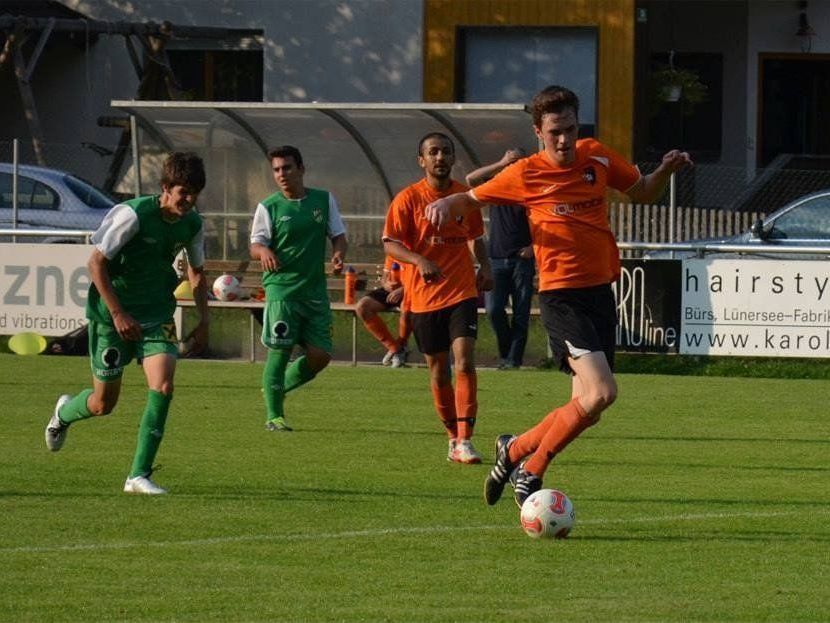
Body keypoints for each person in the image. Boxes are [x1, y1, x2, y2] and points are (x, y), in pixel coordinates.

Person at [424, 85, 693, 504]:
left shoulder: (597, 156)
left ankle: (513, 449)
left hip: (599, 292)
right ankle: (531, 469)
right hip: (561, 295)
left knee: (590, 408)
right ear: (538, 132)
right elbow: (470, 198)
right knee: (603, 392)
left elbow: (641, 191)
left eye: (569, 129)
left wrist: (664, 172)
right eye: (554, 132)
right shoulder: (525, 172)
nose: (564, 139)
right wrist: (445, 206)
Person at [44, 151, 210, 495]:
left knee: (163, 386)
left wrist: (204, 319)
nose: (189, 200)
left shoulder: (192, 223)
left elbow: (196, 272)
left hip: (157, 316)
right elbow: (95, 264)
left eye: (195, 192)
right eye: (183, 192)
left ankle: (138, 475)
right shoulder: (132, 215)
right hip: (111, 318)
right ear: (165, 187)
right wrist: (118, 313)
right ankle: (63, 414)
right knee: (103, 404)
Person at [383, 132, 493, 464]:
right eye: (433, 152)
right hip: (423, 298)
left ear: (453, 157)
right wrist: (418, 260)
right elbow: (390, 243)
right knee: (438, 371)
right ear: (422, 160)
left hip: (461, 291)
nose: (440, 157)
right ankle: (451, 438)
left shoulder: (464, 197)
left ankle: (466, 440)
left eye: (446, 151)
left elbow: (474, 236)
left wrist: (485, 265)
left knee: (464, 360)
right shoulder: (407, 199)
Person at [250, 145, 348, 432]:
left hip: (314, 291)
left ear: (301, 169)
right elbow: (256, 244)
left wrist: (338, 254)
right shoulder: (268, 207)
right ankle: (274, 415)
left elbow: (339, 235)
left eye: (287, 168)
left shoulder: (323, 200)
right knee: (280, 351)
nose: (282, 174)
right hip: (282, 290)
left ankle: (276, 388)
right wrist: (263, 252)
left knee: (321, 356)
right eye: (277, 170)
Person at [466, 149, 535, 370]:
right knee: (494, 310)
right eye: (510, 164)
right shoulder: (497, 186)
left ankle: (513, 361)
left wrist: (534, 247)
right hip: (496, 259)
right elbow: (471, 179)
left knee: (521, 314)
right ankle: (506, 353)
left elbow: (545, 221)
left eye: (516, 163)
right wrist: (501, 161)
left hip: (521, 260)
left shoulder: (531, 190)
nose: (512, 167)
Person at [354, 255, 413, 367]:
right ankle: (396, 349)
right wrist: (386, 284)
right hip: (390, 291)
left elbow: (422, 279)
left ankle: (401, 345)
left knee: (407, 308)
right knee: (362, 307)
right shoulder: (392, 250)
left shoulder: (418, 250)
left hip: (413, 290)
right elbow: (384, 278)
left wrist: (403, 290)